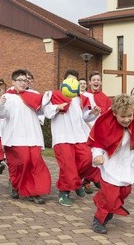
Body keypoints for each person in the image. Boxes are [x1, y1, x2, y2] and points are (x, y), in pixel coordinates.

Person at [87, 94, 134, 234]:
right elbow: (97, 143)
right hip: (111, 163)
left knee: (124, 192)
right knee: (110, 197)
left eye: (129, 115)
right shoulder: (105, 123)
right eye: (123, 117)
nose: (127, 119)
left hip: (129, 162)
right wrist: (97, 155)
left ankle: (107, 206)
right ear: (115, 113)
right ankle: (99, 219)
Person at [42, 69, 101, 206]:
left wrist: (92, 112)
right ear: (63, 82)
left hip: (79, 136)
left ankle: (76, 182)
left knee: (87, 160)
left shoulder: (80, 98)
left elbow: (84, 117)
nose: (72, 83)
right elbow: (47, 112)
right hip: (62, 137)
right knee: (68, 167)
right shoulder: (54, 96)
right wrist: (57, 107)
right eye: (69, 80)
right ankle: (64, 192)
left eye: (74, 81)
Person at [0, 69, 52, 204]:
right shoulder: (8, 97)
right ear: (13, 82)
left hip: (33, 135)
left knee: (35, 162)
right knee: (23, 161)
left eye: (25, 80)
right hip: (16, 135)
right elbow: (1, 115)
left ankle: (35, 192)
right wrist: (0, 104)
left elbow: (43, 110)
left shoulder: (33, 94)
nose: (23, 83)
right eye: (20, 80)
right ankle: (15, 183)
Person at [81, 71, 111, 193]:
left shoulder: (105, 98)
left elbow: (109, 114)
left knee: (101, 155)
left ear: (101, 82)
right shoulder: (84, 96)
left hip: (102, 130)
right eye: (94, 80)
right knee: (88, 156)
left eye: (98, 80)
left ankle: (96, 178)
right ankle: (87, 180)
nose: (96, 82)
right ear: (90, 82)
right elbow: (82, 115)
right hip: (87, 129)